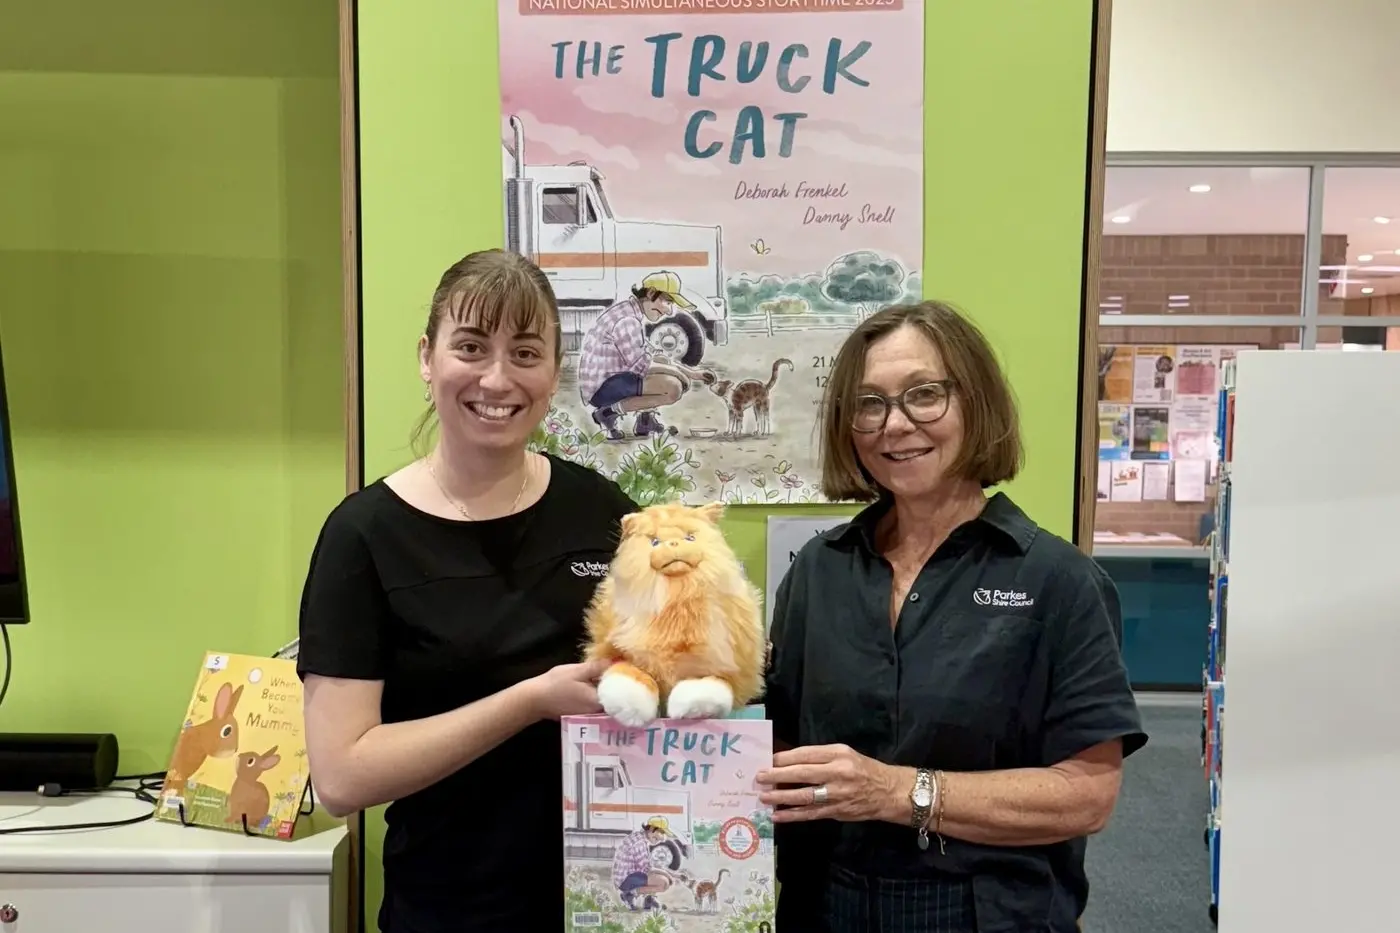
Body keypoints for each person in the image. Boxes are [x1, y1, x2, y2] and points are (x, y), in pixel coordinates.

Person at [754, 301, 1148, 933]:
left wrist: (896, 791)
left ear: (976, 403)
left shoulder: (1059, 582)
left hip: (987, 912)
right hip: (822, 904)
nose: (895, 425)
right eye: (869, 404)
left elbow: (1086, 795)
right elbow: (776, 741)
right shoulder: (817, 572)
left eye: (924, 394)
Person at [296, 249, 638, 933]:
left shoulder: (601, 511)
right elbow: (342, 777)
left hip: (615, 902)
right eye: (472, 347)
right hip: (451, 908)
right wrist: (530, 700)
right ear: (428, 357)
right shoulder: (363, 537)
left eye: (525, 352)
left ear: (554, 370)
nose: (497, 378)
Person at [577, 271, 707, 439]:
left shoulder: (630, 312)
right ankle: (608, 413)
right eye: (667, 301)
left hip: (613, 378)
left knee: (662, 366)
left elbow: (653, 356)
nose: (669, 311)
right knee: (672, 388)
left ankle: (645, 421)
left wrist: (692, 373)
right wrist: (680, 374)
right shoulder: (627, 320)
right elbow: (642, 367)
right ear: (651, 293)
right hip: (601, 388)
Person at [612, 817, 672, 911]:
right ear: (651, 829)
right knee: (663, 882)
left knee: (658, 877)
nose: (661, 837)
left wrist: (666, 873)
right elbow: (647, 869)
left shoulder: (639, 837)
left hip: (626, 876)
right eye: (660, 833)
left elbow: (646, 867)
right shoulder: (639, 843)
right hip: (625, 880)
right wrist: (668, 874)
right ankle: (629, 894)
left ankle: (648, 899)